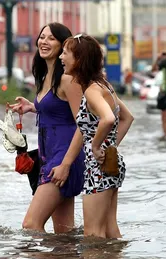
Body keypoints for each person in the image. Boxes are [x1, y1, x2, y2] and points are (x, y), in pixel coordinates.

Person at [9, 23, 85, 234]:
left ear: (64, 45)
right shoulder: (44, 77)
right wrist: (33, 107)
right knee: (64, 233)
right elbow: (59, 111)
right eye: (42, 37)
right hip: (48, 156)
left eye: (51, 38)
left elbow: (84, 123)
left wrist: (66, 164)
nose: (44, 41)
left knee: (31, 225)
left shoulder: (68, 79)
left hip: (64, 158)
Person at [60, 34, 134, 238]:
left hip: (99, 167)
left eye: (65, 53)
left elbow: (108, 118)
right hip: (110, 162)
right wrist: (110, 148)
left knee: (92, 235)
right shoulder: (104, 86)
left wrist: (95, 147)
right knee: (110, 231)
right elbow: (128, 118)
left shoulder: (92, 91)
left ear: (79, 60)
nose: (61, 57)